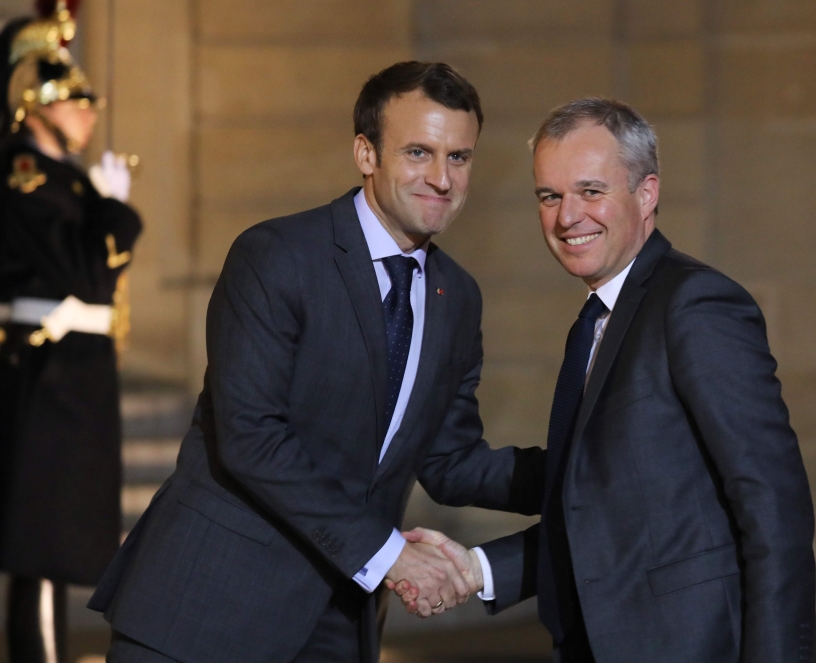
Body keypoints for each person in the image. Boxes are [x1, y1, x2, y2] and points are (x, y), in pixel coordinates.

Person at [87, 61, 544, 663]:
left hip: (336, 624)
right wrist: (390, 555)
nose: (441, 178)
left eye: (459, 157)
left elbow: (448, 459)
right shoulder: (277, 256)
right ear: (365, 153)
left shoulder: (457, 297)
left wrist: (581, 472)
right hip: (204, 611)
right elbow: (252, 437)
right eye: (417, 152)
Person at [400, 98, 816, 662]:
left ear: (647, 194)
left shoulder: (696, 305)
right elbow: (611, 501)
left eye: (591, 191)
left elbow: (774, 508)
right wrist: (479, 569)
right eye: (550, 196)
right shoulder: (599, 320)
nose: (568, 216)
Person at [0, 0, 142, 662]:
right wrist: (116, 212)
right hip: (47, 377)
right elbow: (87, 274)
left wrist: (104, 207)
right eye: (75, 99)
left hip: (72, 377)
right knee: (40, 551)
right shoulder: (26, 179)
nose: (89, 112)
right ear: (36, 104)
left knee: (51, 548)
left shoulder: (66, 182)